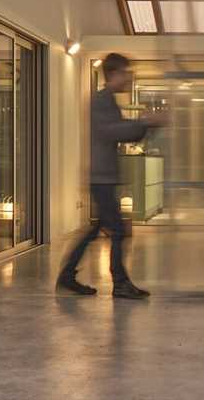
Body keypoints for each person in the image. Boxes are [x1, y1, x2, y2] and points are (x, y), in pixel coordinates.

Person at [56, 52, 166, 299]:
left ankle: (68, 276)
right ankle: (119, 283)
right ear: (114, 74)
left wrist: (147, 124)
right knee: (117, 230)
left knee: (98, 229)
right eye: (126, 73)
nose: (128, 78)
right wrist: (145, 121)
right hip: (101, 177)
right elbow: (110, 131)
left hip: (103, 176)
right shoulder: (100, 100)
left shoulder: (107, 100)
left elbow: (121, 131)